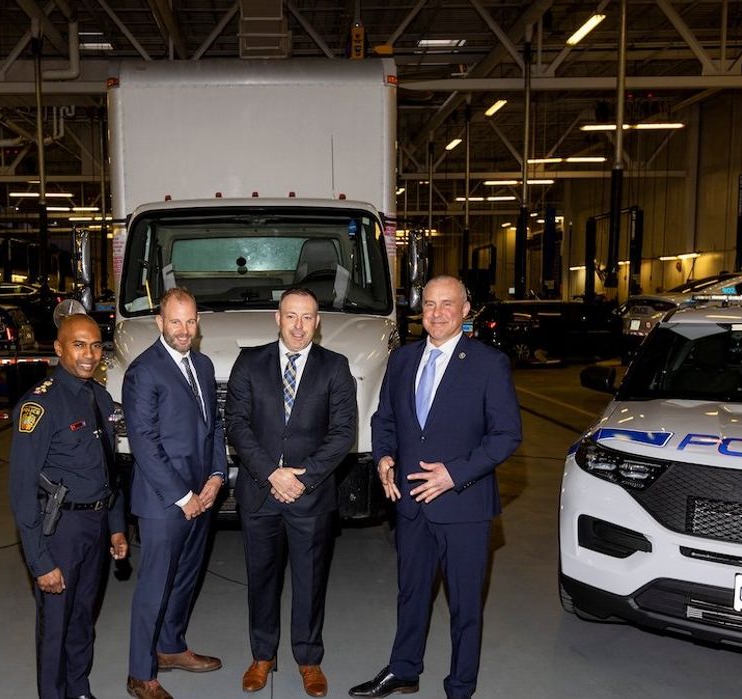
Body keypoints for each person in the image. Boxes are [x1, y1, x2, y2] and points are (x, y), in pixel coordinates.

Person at [349, 276, 522, 699]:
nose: (437, 312)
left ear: (466, 310)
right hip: (411, 506)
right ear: (419, 310)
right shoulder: (403, 360)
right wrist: (386, 456)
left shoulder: (487, 364)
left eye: (448, 304)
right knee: (411, 595)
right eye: (429, 304)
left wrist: (454, 474)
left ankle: (460, 686)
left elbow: (506, 435)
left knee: (464, 606)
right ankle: (403, 670)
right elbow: (384, 419)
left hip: (464, 506)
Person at [225, 288, 357, 697]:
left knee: (310, 580)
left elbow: (343, 434)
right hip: (260, 494)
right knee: (261, 579)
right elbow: (236, 425)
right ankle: (262, 655)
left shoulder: (335, 367)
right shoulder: (249, 362)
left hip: (311, 496)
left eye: (307, 317)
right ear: (276, 318)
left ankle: (308, 659)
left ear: (318, 322)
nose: (299, 325)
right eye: (291, 316)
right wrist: (272, 474)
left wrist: (302, 477)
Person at [8, 314, 128, 699]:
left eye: (95, 345)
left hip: (95, 527)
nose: (89, 354)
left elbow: (109, 470)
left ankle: (79, 689)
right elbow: (22, 491)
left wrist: (116, 525)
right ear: (59, 349)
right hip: (59, 529)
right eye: (78, 344)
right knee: (56, 624)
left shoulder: (101, 397)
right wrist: (40, 562)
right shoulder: (39, 406)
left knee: (83, 619)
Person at [124, 288, 227, 699]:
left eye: (190, 321)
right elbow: (145, 443)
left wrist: (217, 476)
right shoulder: (143, 371)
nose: (184, 330)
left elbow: (214, 426)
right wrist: (184, 497)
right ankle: (140, 673)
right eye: (175, 321)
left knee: (186, 578)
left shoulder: (201, 365)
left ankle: (170, 647)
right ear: (160, 323)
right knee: (155, 586)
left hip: (202, 494)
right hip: (164, 502)